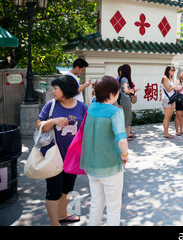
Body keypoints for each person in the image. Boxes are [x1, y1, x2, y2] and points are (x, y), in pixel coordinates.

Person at [36, 75, 88, 226]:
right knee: (54, 190)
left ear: (65, 89)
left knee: (68, 188)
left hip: (72, 157)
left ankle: (62, 214)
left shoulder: (81, 107)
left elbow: (88, 128)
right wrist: (52, 121)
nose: (53, 91)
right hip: (53, 156)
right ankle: (55, 223)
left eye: (55, 88)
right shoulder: (51, 105)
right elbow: (39, 125)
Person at [80, 76, 128, 226]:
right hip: (110, 166)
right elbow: (121, 139)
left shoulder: (91, 108)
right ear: (113, 94)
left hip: (91, 165)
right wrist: (125, 155)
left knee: (96, 203)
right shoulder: (115, 111)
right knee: (113, 207)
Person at [118, 64, 138, 140]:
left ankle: (128, 133)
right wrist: (132, 91)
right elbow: (126, 90)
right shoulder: (125, 79)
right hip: (126, 99)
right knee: (127, 116)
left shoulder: (122, 79)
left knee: (128, 116)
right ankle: (125, 135)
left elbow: (122, 90)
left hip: (124, 99)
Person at [161, 65, 178, 139]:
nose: (173, 71)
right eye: (172, 70)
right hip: (167, 99)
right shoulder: (165, 78)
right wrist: (174, 85)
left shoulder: (171, 78)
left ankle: (167, 132)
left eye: (174, 70)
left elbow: (173, 89)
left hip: (172, 98)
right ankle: (165, 133)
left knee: (170, 116)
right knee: (167, 116)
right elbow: (168, 89)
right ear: (168, 71)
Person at [174, 68, 183, 136]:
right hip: (179, 98)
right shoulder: (176, 80)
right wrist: (182, 85)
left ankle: (181, 130)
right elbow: (176, 89)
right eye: (182, 72)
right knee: (178, 115)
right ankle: (177, 131)